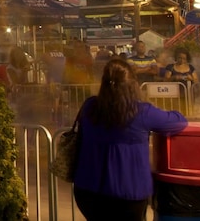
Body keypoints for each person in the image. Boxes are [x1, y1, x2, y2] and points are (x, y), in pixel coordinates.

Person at [73, 58, 188, 221]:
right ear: (132, 85)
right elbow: (179, 121)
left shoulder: (90, 106)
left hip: (88, 189)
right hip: (129, 192)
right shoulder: (142, 112)